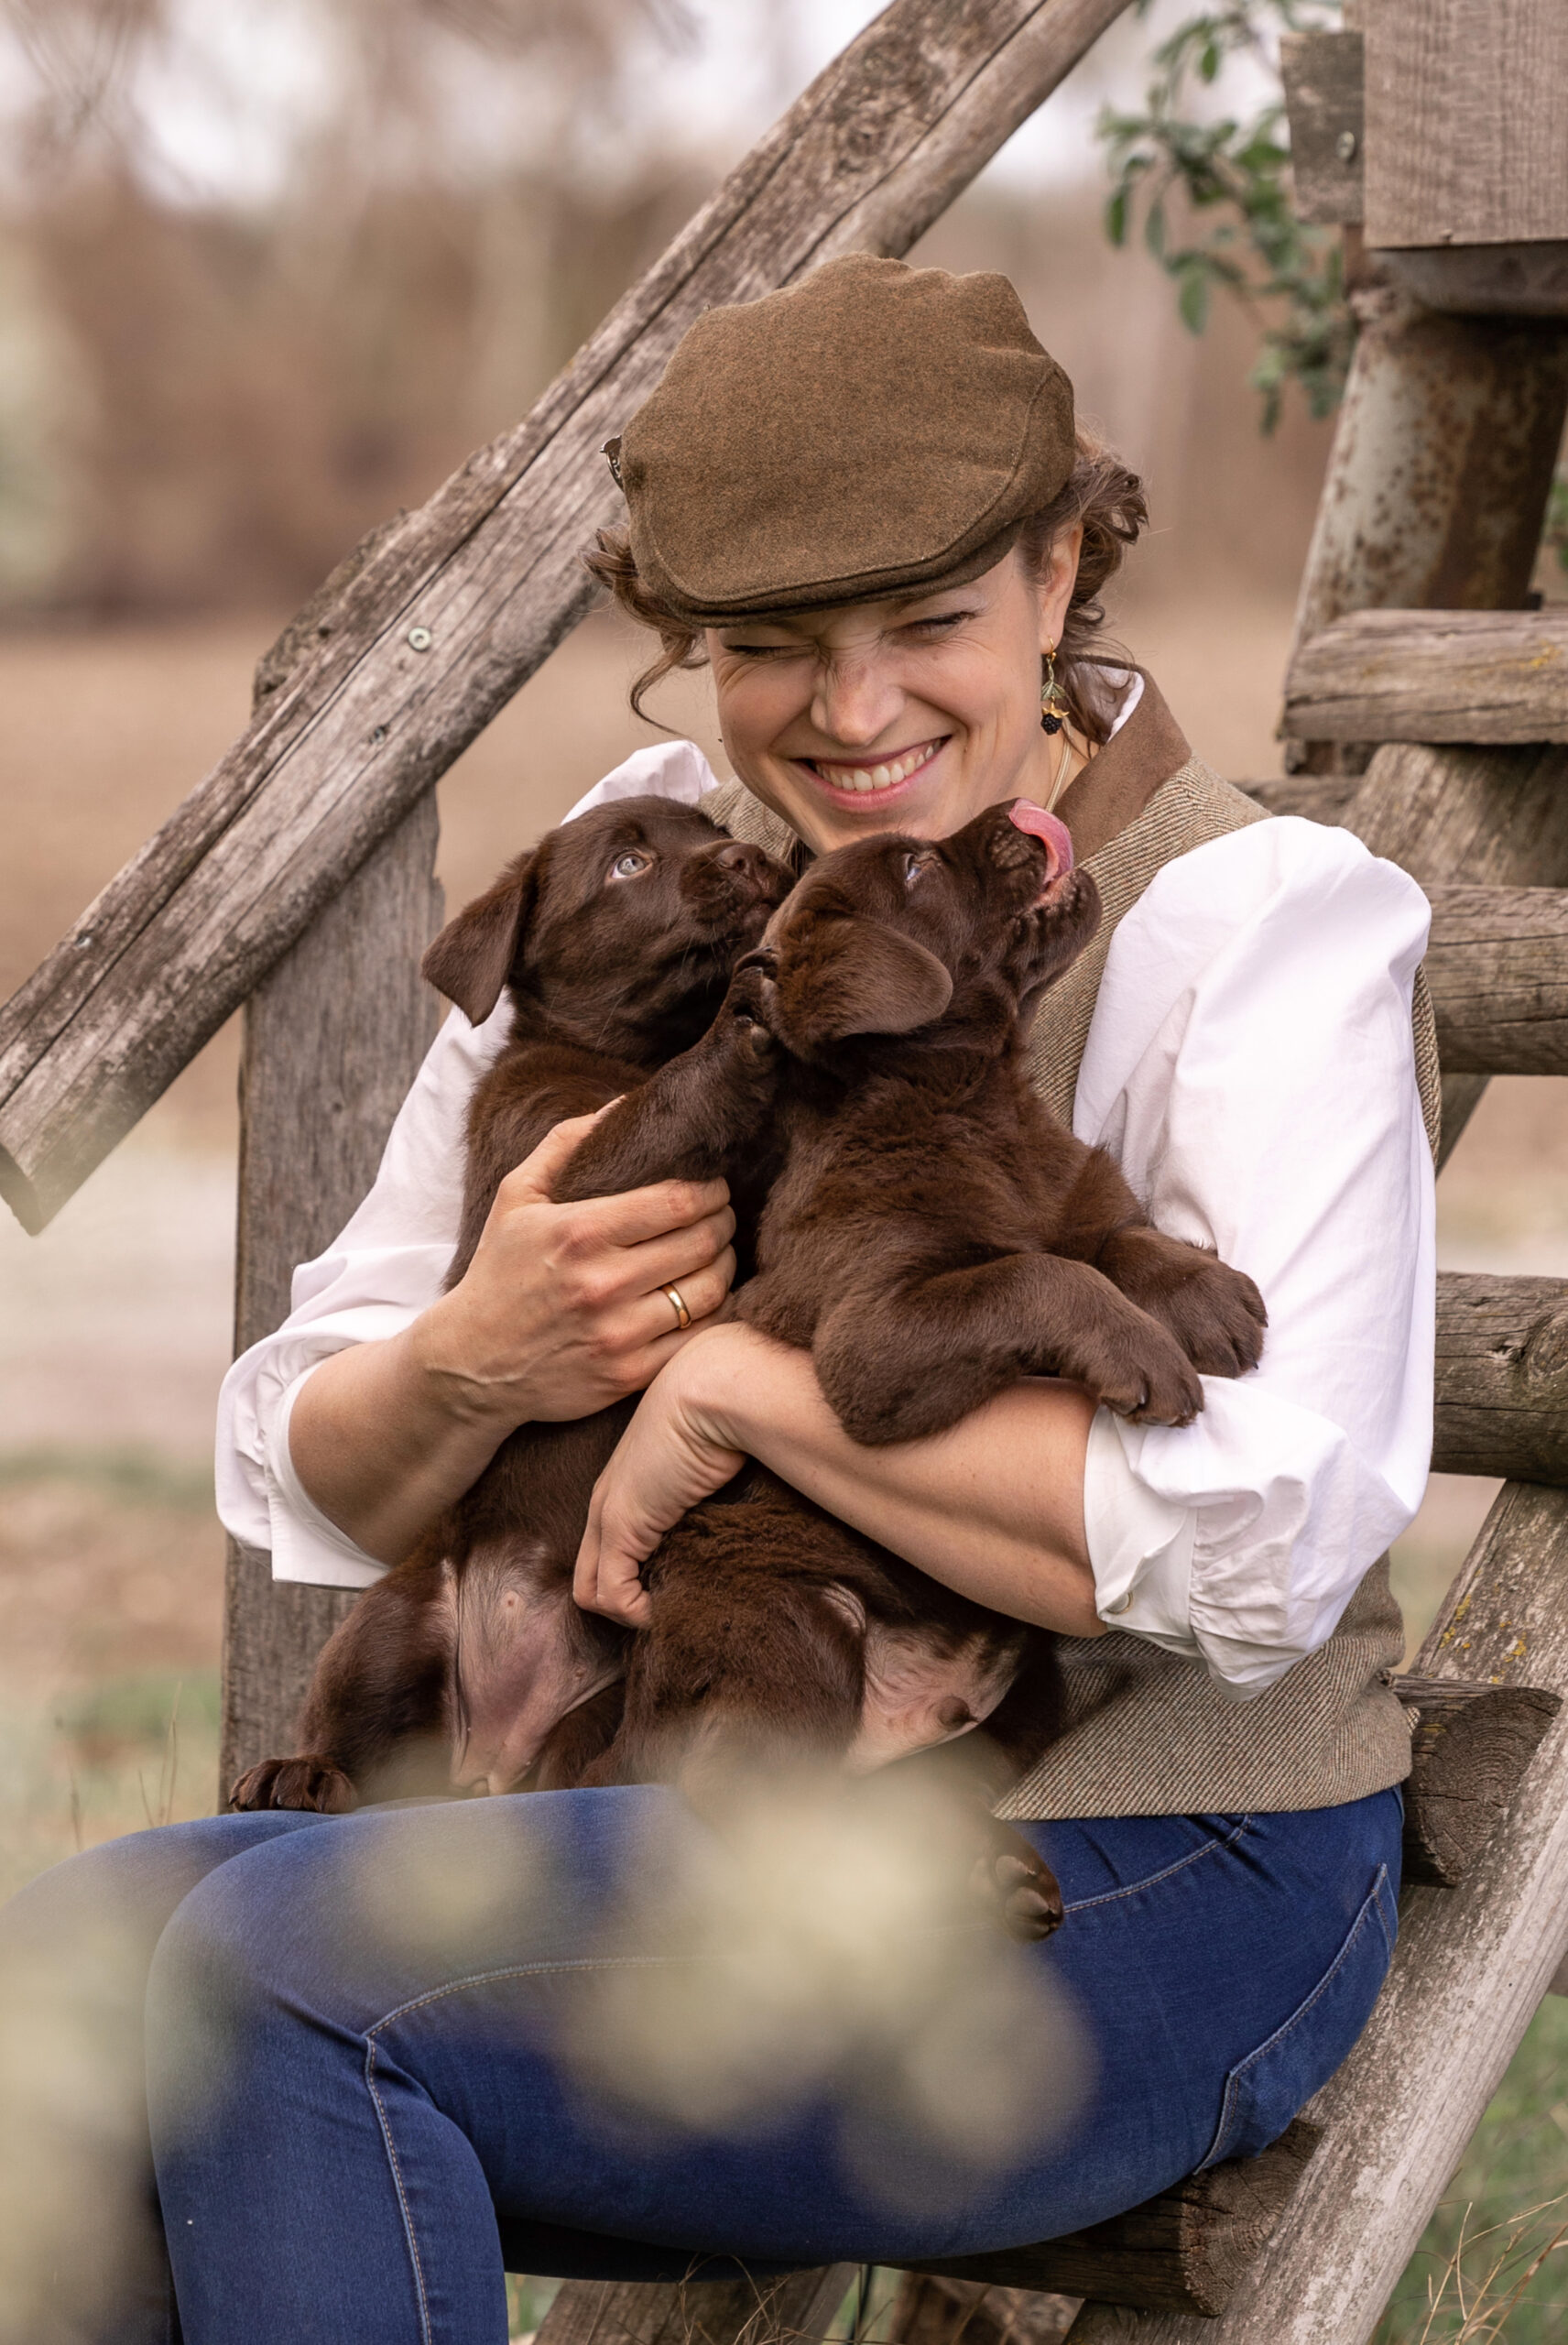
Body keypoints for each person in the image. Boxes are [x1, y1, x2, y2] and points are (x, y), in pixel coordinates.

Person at [0, 256, 1435, 2345]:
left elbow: (1250, 1547)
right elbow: (306, 1441)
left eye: (929, 624)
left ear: (1059, 574)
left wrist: (742, 1392)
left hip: (1165, 1861)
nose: (852, 720)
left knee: (276, 1977)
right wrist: (480, 1353)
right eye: (770, 651)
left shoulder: (1254, 924)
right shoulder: (662, 868)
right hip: (696, 1786)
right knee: (65, 1972)